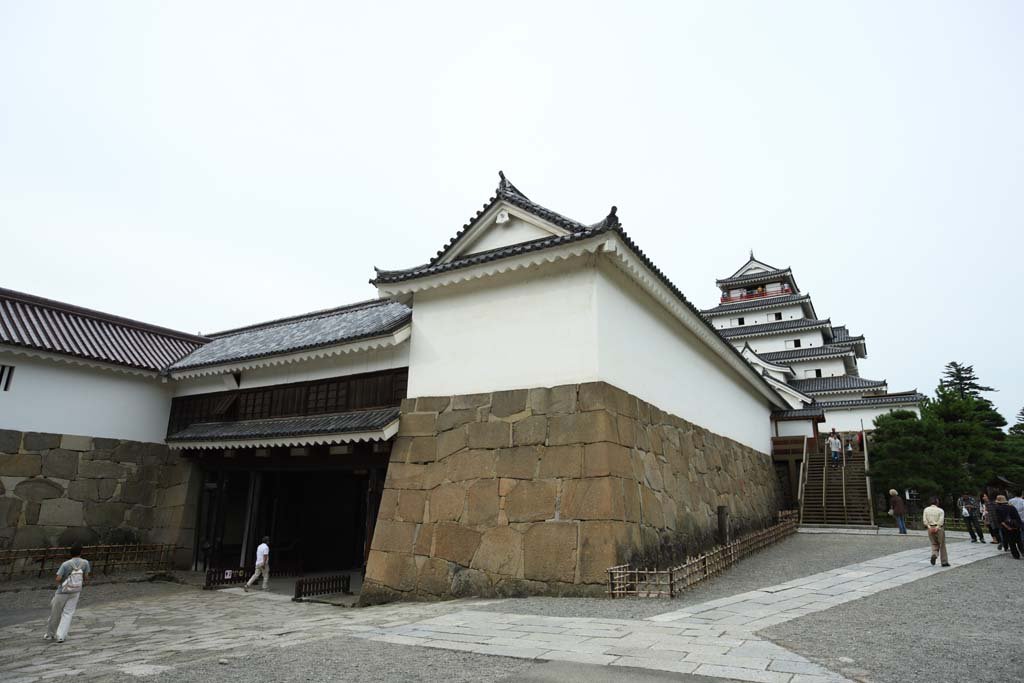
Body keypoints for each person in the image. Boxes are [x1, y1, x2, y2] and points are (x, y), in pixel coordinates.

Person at [45, 544, 90, 643]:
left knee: (55, 613)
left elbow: (58, 578)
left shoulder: (65, 564)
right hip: (76, 591)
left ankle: (50, 634)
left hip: (62, 591)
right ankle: (61, 635)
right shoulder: (85, 563)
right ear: (81, 552)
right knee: (68, 613)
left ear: (70, 553)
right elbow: (86, 577)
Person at [922, 497, 949, 567]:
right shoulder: (940, 510)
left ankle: (934, 554)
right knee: (942, 544)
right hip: (939, 528)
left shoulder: (926, 510)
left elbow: (925, 520)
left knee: (934, 543)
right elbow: (941, 520)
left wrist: (929, 527)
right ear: (937, 502)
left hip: (930, 527)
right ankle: (944, 561)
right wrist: (937, 527)